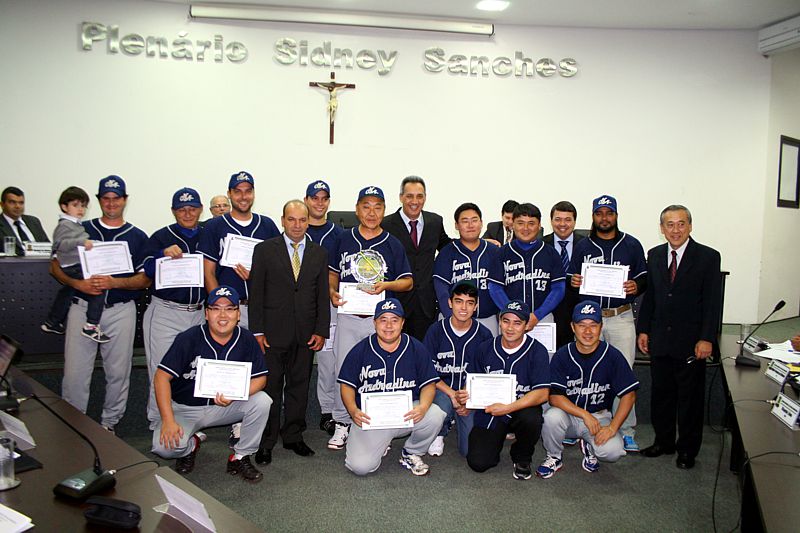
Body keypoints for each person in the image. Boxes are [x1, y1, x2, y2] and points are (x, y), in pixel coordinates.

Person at [50, 176, 150, 433]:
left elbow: (144, 279)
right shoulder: (81, 230)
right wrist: (78, 284)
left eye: (116, 198)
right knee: (75, 373)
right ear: (98, 201)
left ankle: (109, 424)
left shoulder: (137, 236)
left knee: (118, 373)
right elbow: (55, 266)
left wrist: (114, 283)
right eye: (106, 198)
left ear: (124, 200)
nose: (111, 203)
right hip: (82, 306)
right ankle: (74, 423)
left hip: (120, 310)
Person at [151, 285, 271, 483]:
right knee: (164, 448)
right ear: (207, 314)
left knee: (262, 401)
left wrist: (237, 394)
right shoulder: (188, 338)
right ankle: (191, 445)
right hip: (185, 408)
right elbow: (161, 377)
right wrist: (168, 420)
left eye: (229, 308)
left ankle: (240, 455)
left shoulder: (247, 339)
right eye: (215, 308)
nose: (222, 315)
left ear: (238, 314)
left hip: (225, 406)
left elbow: (260, 379)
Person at [327, 185, 413, 450]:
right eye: (366, 206)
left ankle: (377, 422)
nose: (372, 212)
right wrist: (331, 290)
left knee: (378, 372)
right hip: (350, 316)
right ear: (357, 209)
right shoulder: (343, 238)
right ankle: (342, 423)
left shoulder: (392, 243)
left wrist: (386, 286)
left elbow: (408, 282)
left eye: (377, 207)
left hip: (381, 322)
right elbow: (332, 272)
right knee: (344, 370)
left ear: (384, 211)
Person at [637, 205, 721, 470]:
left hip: (691, 341)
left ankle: (687, 450)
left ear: (690, 226)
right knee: (661, 395)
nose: (676, 230)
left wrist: (706, 337)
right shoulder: (655, 255)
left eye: (681, 224)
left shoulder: (708, 257)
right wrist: (644, 329)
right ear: (662, 229)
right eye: (670, 225)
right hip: (660, 338)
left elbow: (712, 302)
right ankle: (664, 442)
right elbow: (651, 297)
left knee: (689, 399)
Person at [250, 200, 330, 465]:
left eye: (302, 220)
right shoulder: (264, 250)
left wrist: (321, 330)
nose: (297, 225)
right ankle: (267, 440)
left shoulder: (319, 253)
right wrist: (257, 331)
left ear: (308, 221)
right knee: (271, 388)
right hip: (272, 334)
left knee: (299, 386)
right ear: (283, 220)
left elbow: (321, 294)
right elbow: (256, 292)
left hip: (305, 334)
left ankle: (294, 435)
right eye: (292, 220)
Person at [569, 195, 647, 453]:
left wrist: (637, 286)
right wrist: (575, 282)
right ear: (593, 216)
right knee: (584, 372)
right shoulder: (583, 246)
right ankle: (577, 426)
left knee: (624, 374)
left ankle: (625, 430)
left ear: (616, 215)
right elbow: (572, 278)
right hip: (590, 319)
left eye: (608, 213)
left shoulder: (631, 244)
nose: (604, 218)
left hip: (621, 316)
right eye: (599, 213)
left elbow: (644, 278)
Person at [337, 298, 445, 476]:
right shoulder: (360, 350)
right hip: (371, 418)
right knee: (360, 467)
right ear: (374, 323)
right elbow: (347, 385)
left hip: (406, 414)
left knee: (435, 414)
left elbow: (429, 384)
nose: (388, 326)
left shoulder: (416, 348)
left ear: (402, 323)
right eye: (383, 320)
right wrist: (353, 410)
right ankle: (379, 443)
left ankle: (412, 453)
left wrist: (424, 407)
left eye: (394, 320)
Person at [537, 301, 639, 479]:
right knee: (551, 417)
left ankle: (590, 446)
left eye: (593, 325)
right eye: (582, 325)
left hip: (600, 417)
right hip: (568, 417)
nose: (587, 331)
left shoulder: (612, 355)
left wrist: (613, 428)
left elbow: (629, 395)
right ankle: (554, 456)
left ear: (601, 327)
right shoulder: (563, 354)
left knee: (613, 452)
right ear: (573, 327)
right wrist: (585, 415)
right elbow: (554, 398)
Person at [460, 300, 550, 480]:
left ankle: (522, 456)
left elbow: (542, 393)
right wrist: (465, 395)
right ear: (499, 322)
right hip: (490, 412)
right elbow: (471, 381)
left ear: (526, 326)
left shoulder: (537, 351)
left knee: (532, 417)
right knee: (478, 463)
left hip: (520, 410)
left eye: (517, 323)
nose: (510, 328)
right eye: (506, 321)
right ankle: (497, 439)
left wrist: (509, 408)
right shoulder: (485, 348)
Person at [141, 187, 207, 430]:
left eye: (192, 208)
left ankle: (188, 424)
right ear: (173, 211)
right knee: (160, 371)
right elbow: (145, 269)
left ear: (200, 209)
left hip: (199, 311)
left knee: (193, 372)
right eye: (181, 209)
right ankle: (158, 423)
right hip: (166, 312)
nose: (187, 213)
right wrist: (161, 254)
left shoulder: (207, 234)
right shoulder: (161, 236)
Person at [198, 171, 280, 329]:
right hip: (229, 308)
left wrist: (256, 275)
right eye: (237, 191)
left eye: (248, 191)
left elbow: (279, 270)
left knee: (261, 354)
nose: (243, 196)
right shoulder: (214, 226)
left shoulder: (267, 225)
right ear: (229, 194)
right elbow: (208, 272)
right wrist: (221, 307)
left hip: (262, 308)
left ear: (254, 194)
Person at [422, 280, 493, 457]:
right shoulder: (435, 330)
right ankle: (440, 431)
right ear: (450, 303)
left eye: (469, 303)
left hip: (469, 394)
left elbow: (487, 376)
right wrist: (452, 394)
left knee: (468, 451)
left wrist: (469, 399)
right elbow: (427, 371)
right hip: (441, 390)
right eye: (459, 301)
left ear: (476, 306)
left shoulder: (484, 334)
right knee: (442, 404)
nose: (463, 308)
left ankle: (457, 417)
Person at [381, 176, 451, 340]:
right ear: (401, 198)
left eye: (419, 196)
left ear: (425, 198)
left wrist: (479, 241)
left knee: (422, 355)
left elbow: (447, 246)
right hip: (396, 303)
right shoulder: (386, 225)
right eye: (409, 196)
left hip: (426, 304)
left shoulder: (435, 221)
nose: (415, 201)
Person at [41, 186, 108, 342]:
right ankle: (91, 325)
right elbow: (60, 244)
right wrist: (82, 242)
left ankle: (52, 321)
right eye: (76, 205)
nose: (81, 209)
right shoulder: (65, 224)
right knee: (98, 288)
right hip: (73, 265)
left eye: (83, 206)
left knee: (67, 292)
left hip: (74, 264)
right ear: (64, 206)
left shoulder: (75, 224)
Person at [303, 179, 344, 435]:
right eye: (314, 197)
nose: (319, 202)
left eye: (324, 198)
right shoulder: (295, 229)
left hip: (328, 306)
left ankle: (327, 411)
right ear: (306, 200)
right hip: (296, 307)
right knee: (296, 361)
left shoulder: (339, 234)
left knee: (328, 361)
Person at [491, 203, 565, 332]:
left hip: (543, 318)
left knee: (545, 353)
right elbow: (495, 287)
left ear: (539, 225)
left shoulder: (551, 253)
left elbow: (558, 288)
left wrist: (538, 315)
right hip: (510, 319)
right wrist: (513, 313)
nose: (526, 228)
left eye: (531, 223)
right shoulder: (501, 253)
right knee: (508, 352)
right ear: (512, 224)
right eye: (520, 223)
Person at [433, 203, 503, 335]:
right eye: (465, 221)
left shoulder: (494, 252)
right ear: (456, 225)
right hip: (452, 320)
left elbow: (501, 288)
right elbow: (441, 290)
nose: (470, 225)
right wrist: (452, 319)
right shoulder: (447, 253)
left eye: (474, 220)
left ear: (481, 223)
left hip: (487, 319)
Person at [542, 200, 584, 349]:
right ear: (551, 221)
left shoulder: (587, 244)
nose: (562, 224)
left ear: (574, 221)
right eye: (558, 219)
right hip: (549, 310)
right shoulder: (541, 245)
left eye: (568, 220)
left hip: (578, 309)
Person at [0, 186, 49, 256]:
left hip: (39, 264)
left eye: (21, 203)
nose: (17, 206)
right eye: (12, 202)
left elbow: (47, 246)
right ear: (2, 205)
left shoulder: (34, 221)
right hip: (11, 265)